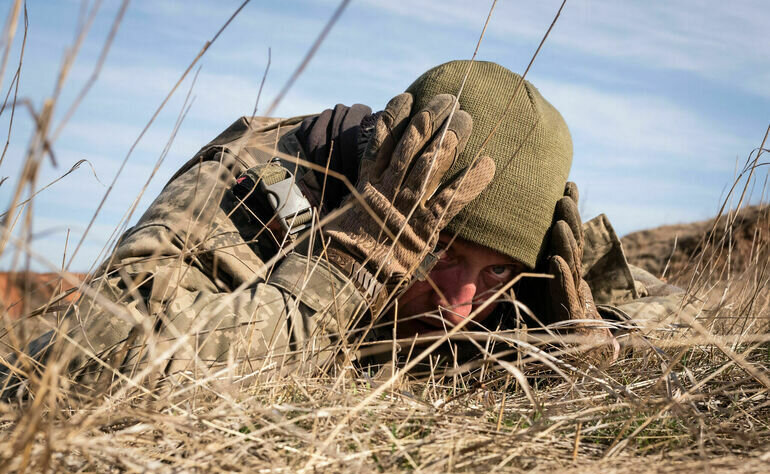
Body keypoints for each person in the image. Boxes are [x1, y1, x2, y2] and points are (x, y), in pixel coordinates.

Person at [0, 60, 688, 399]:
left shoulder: (514, 266)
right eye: (442, 250)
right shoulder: (257, 190)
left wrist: (593, 340)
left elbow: (671, 305)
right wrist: (341, 271)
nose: (459, 306)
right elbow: (59, 367)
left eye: (495, 271)